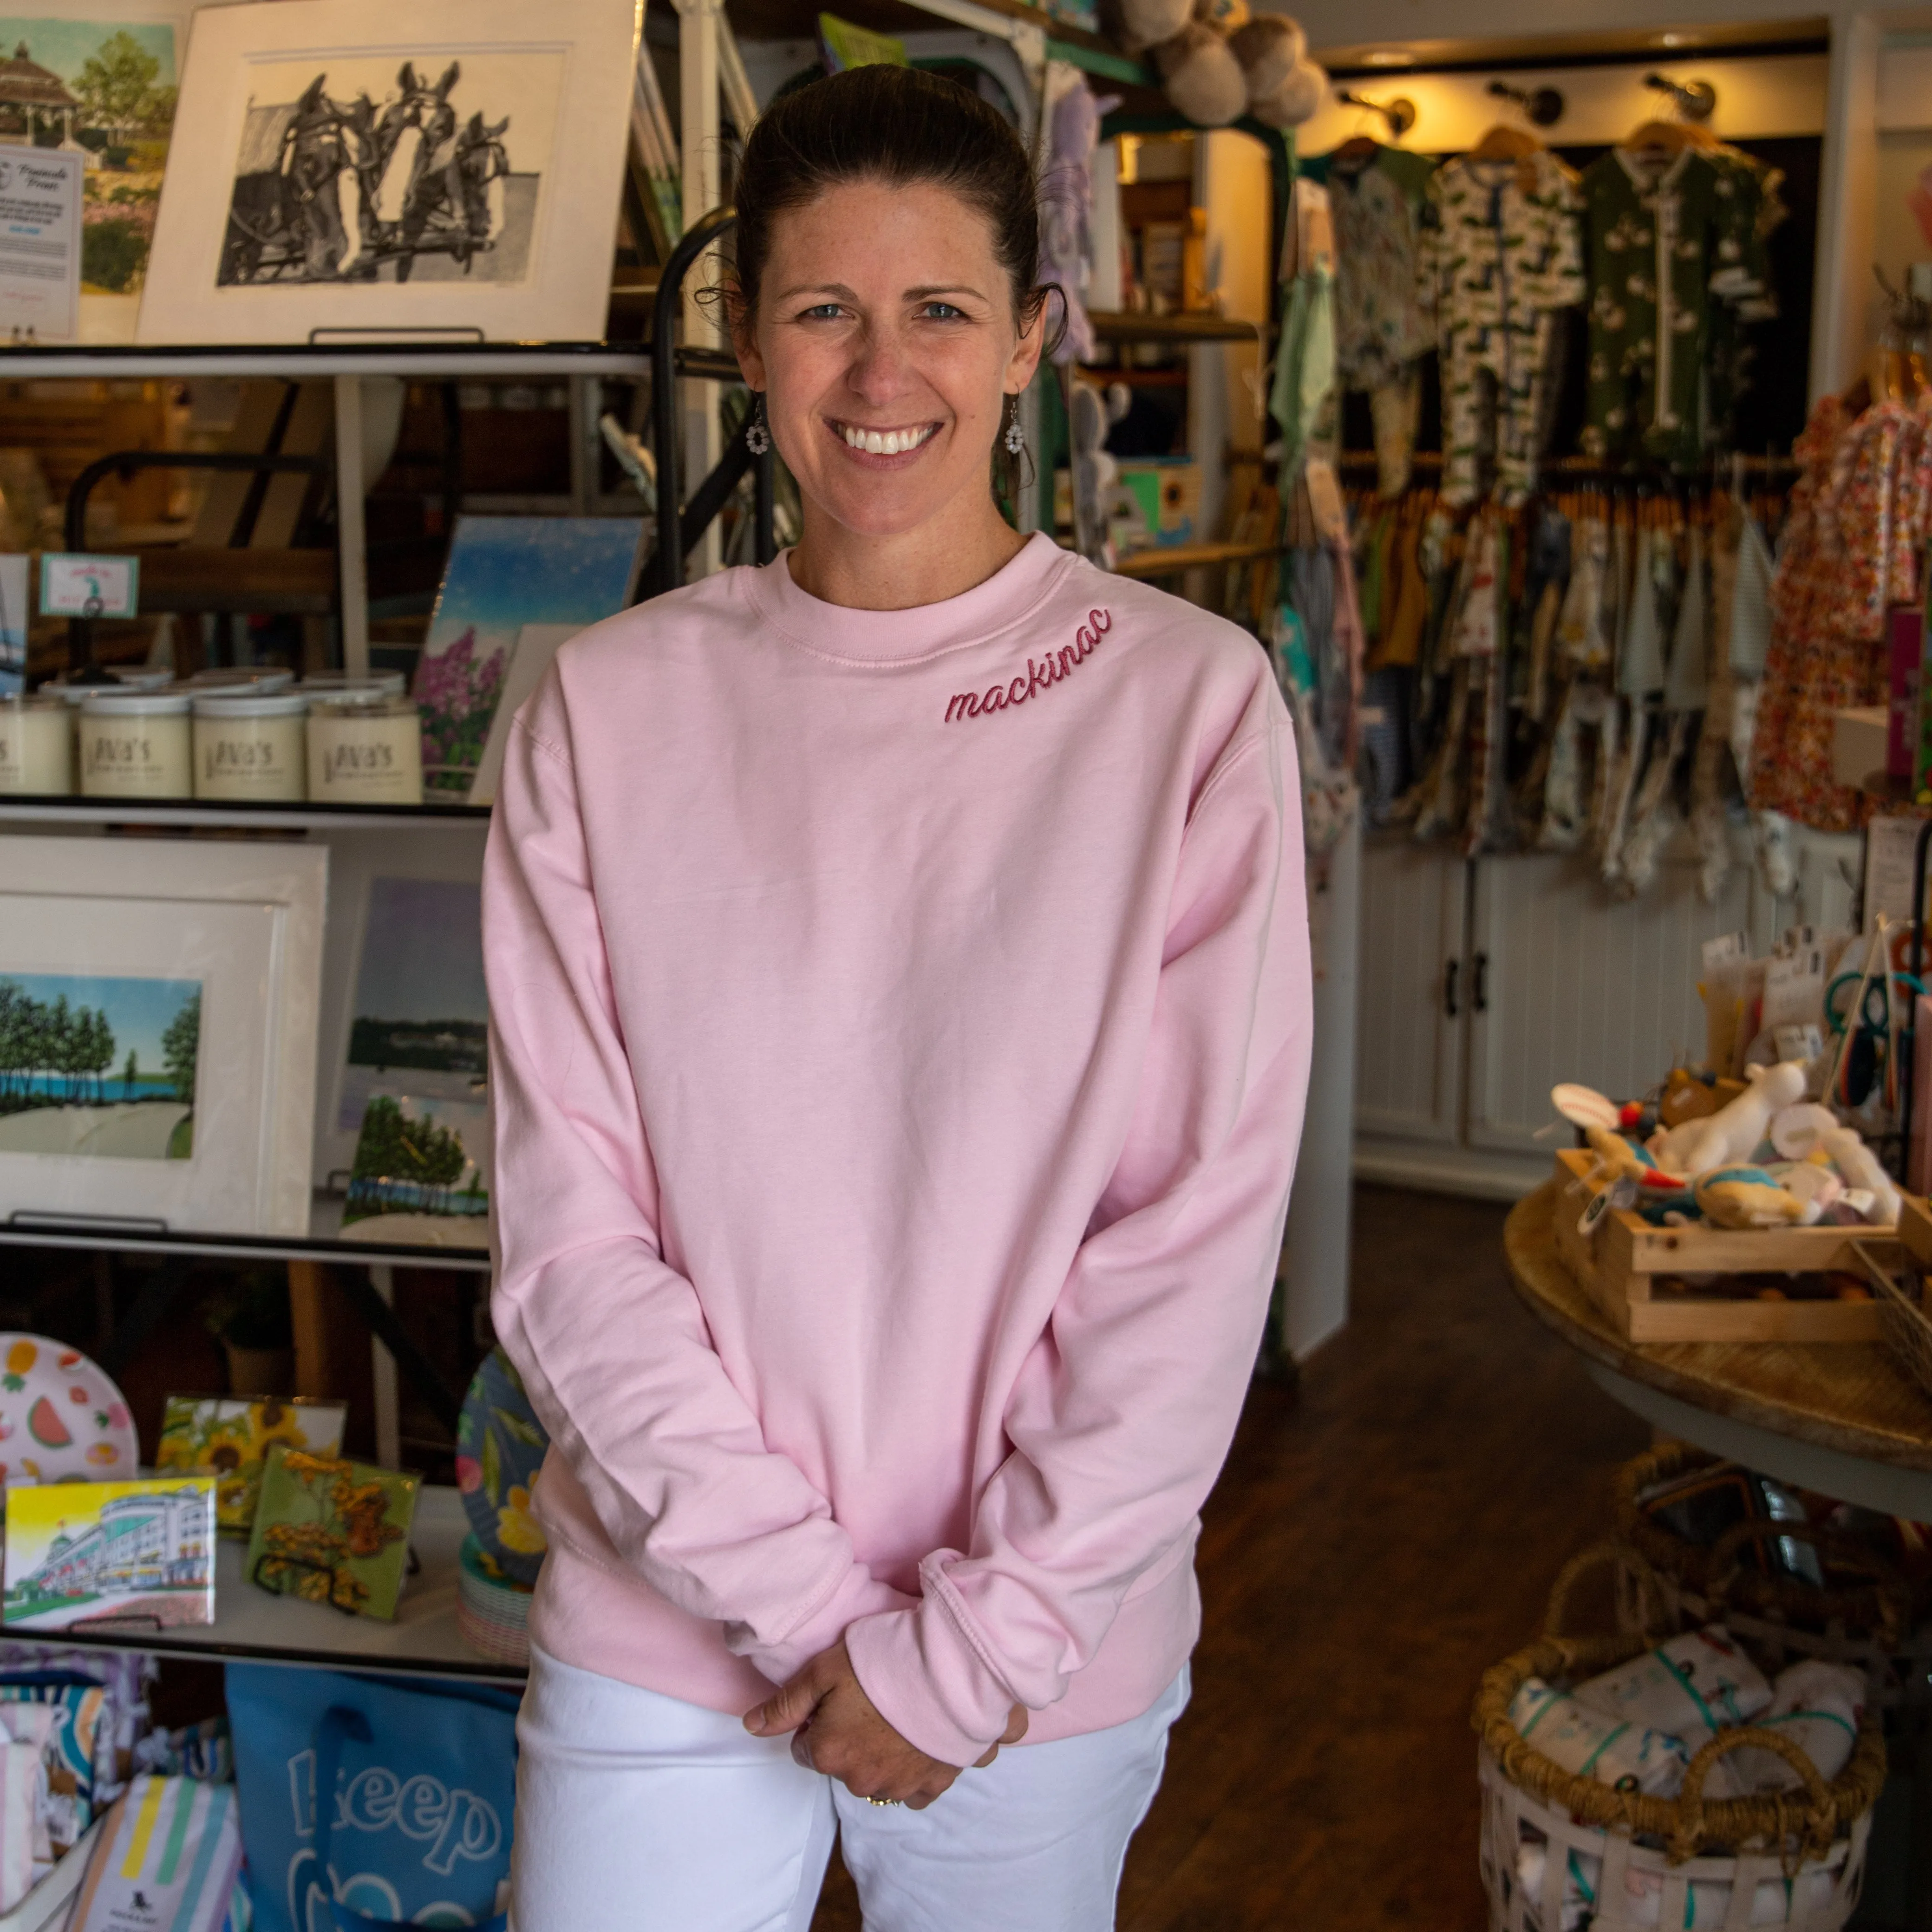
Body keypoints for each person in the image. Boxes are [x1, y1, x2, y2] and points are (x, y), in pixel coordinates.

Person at [484, 62, 1312, 1932]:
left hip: (1035, 1648)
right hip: (669, 1628)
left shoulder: (1178, 708)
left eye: (937, 309)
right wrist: (807, 1610)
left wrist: (960, 1650)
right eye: (820, 312)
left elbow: (1186, 1250)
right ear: (745, 344)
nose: (879, 375)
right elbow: (568, 1241)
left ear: (1028, 338)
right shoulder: (602, 712)